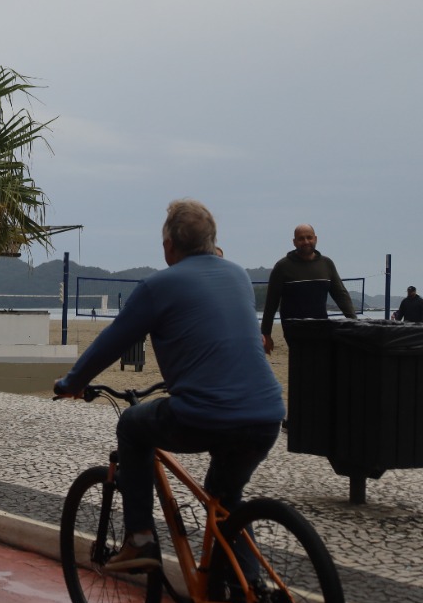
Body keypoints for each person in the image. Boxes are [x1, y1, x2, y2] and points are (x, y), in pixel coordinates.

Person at [53, 200, 284, 572]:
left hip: (204, 415)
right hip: (266, 415)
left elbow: (111, 343)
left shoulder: (158, 285)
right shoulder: (238, 275)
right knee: (226, 499)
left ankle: (140, 538)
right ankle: (250, 598)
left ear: (168, 246)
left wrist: (71, 383)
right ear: (212, 242)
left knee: (132, 425)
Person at [260, 223, 357, 355]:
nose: (306, 242)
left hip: (321, 328)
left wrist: (354, 323)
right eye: (301, 238)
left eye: (309, 237)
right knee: (301, 370)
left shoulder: (326, 264)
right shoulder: (282, 267)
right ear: (294, 242)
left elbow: (341, 295)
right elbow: (271, 303)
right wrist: (266, 333)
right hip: (294, 331)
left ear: (315, 239)